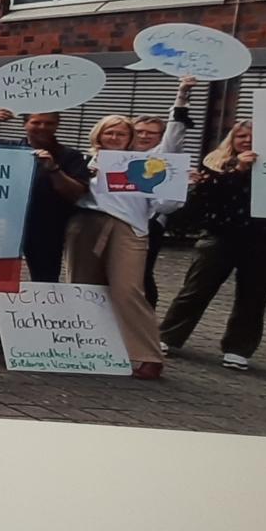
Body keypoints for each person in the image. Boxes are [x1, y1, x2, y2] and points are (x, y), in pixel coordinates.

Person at [158, 121, 266, 373]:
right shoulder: (217, 164)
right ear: (232, 140)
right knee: (196, 289)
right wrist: (238, 171)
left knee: (253, 297)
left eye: (253, 136)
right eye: (241, 136)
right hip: (221, 236)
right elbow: (205, 200)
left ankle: (238, 349)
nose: (247, 141)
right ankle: (167, 336)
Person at [0, 106, 90, 352]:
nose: (42, 127)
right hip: (7, 224)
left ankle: (40, 336)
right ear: (26, 124)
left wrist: (54, 169)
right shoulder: (10, 147)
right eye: (36, 122)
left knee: (44, 281)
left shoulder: (70, 156)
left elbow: (76, 193)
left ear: (57, 125)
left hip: (47, 225)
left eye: (48, 123)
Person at [65, 115, 168, 380]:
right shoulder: (84, 161)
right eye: (109, 133)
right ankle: (87, 348)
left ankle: (149, 356)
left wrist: (181, 100)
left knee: (128, 290)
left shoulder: (142, 164)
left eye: (121, 134)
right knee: (82, 287)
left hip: (128, 228)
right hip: (87, 224)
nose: (114, 138)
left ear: (130, 138)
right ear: (98, 135)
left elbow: (164, 202)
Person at [132, 78, 199, 307]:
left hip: (149, 224)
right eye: (139, 131)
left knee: (141, 276)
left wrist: (182, 94)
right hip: (116, 222)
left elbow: (176, 130)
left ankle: (147, 328)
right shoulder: (117, 155)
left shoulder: (163, 153)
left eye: (151, 133)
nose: (144, 136)